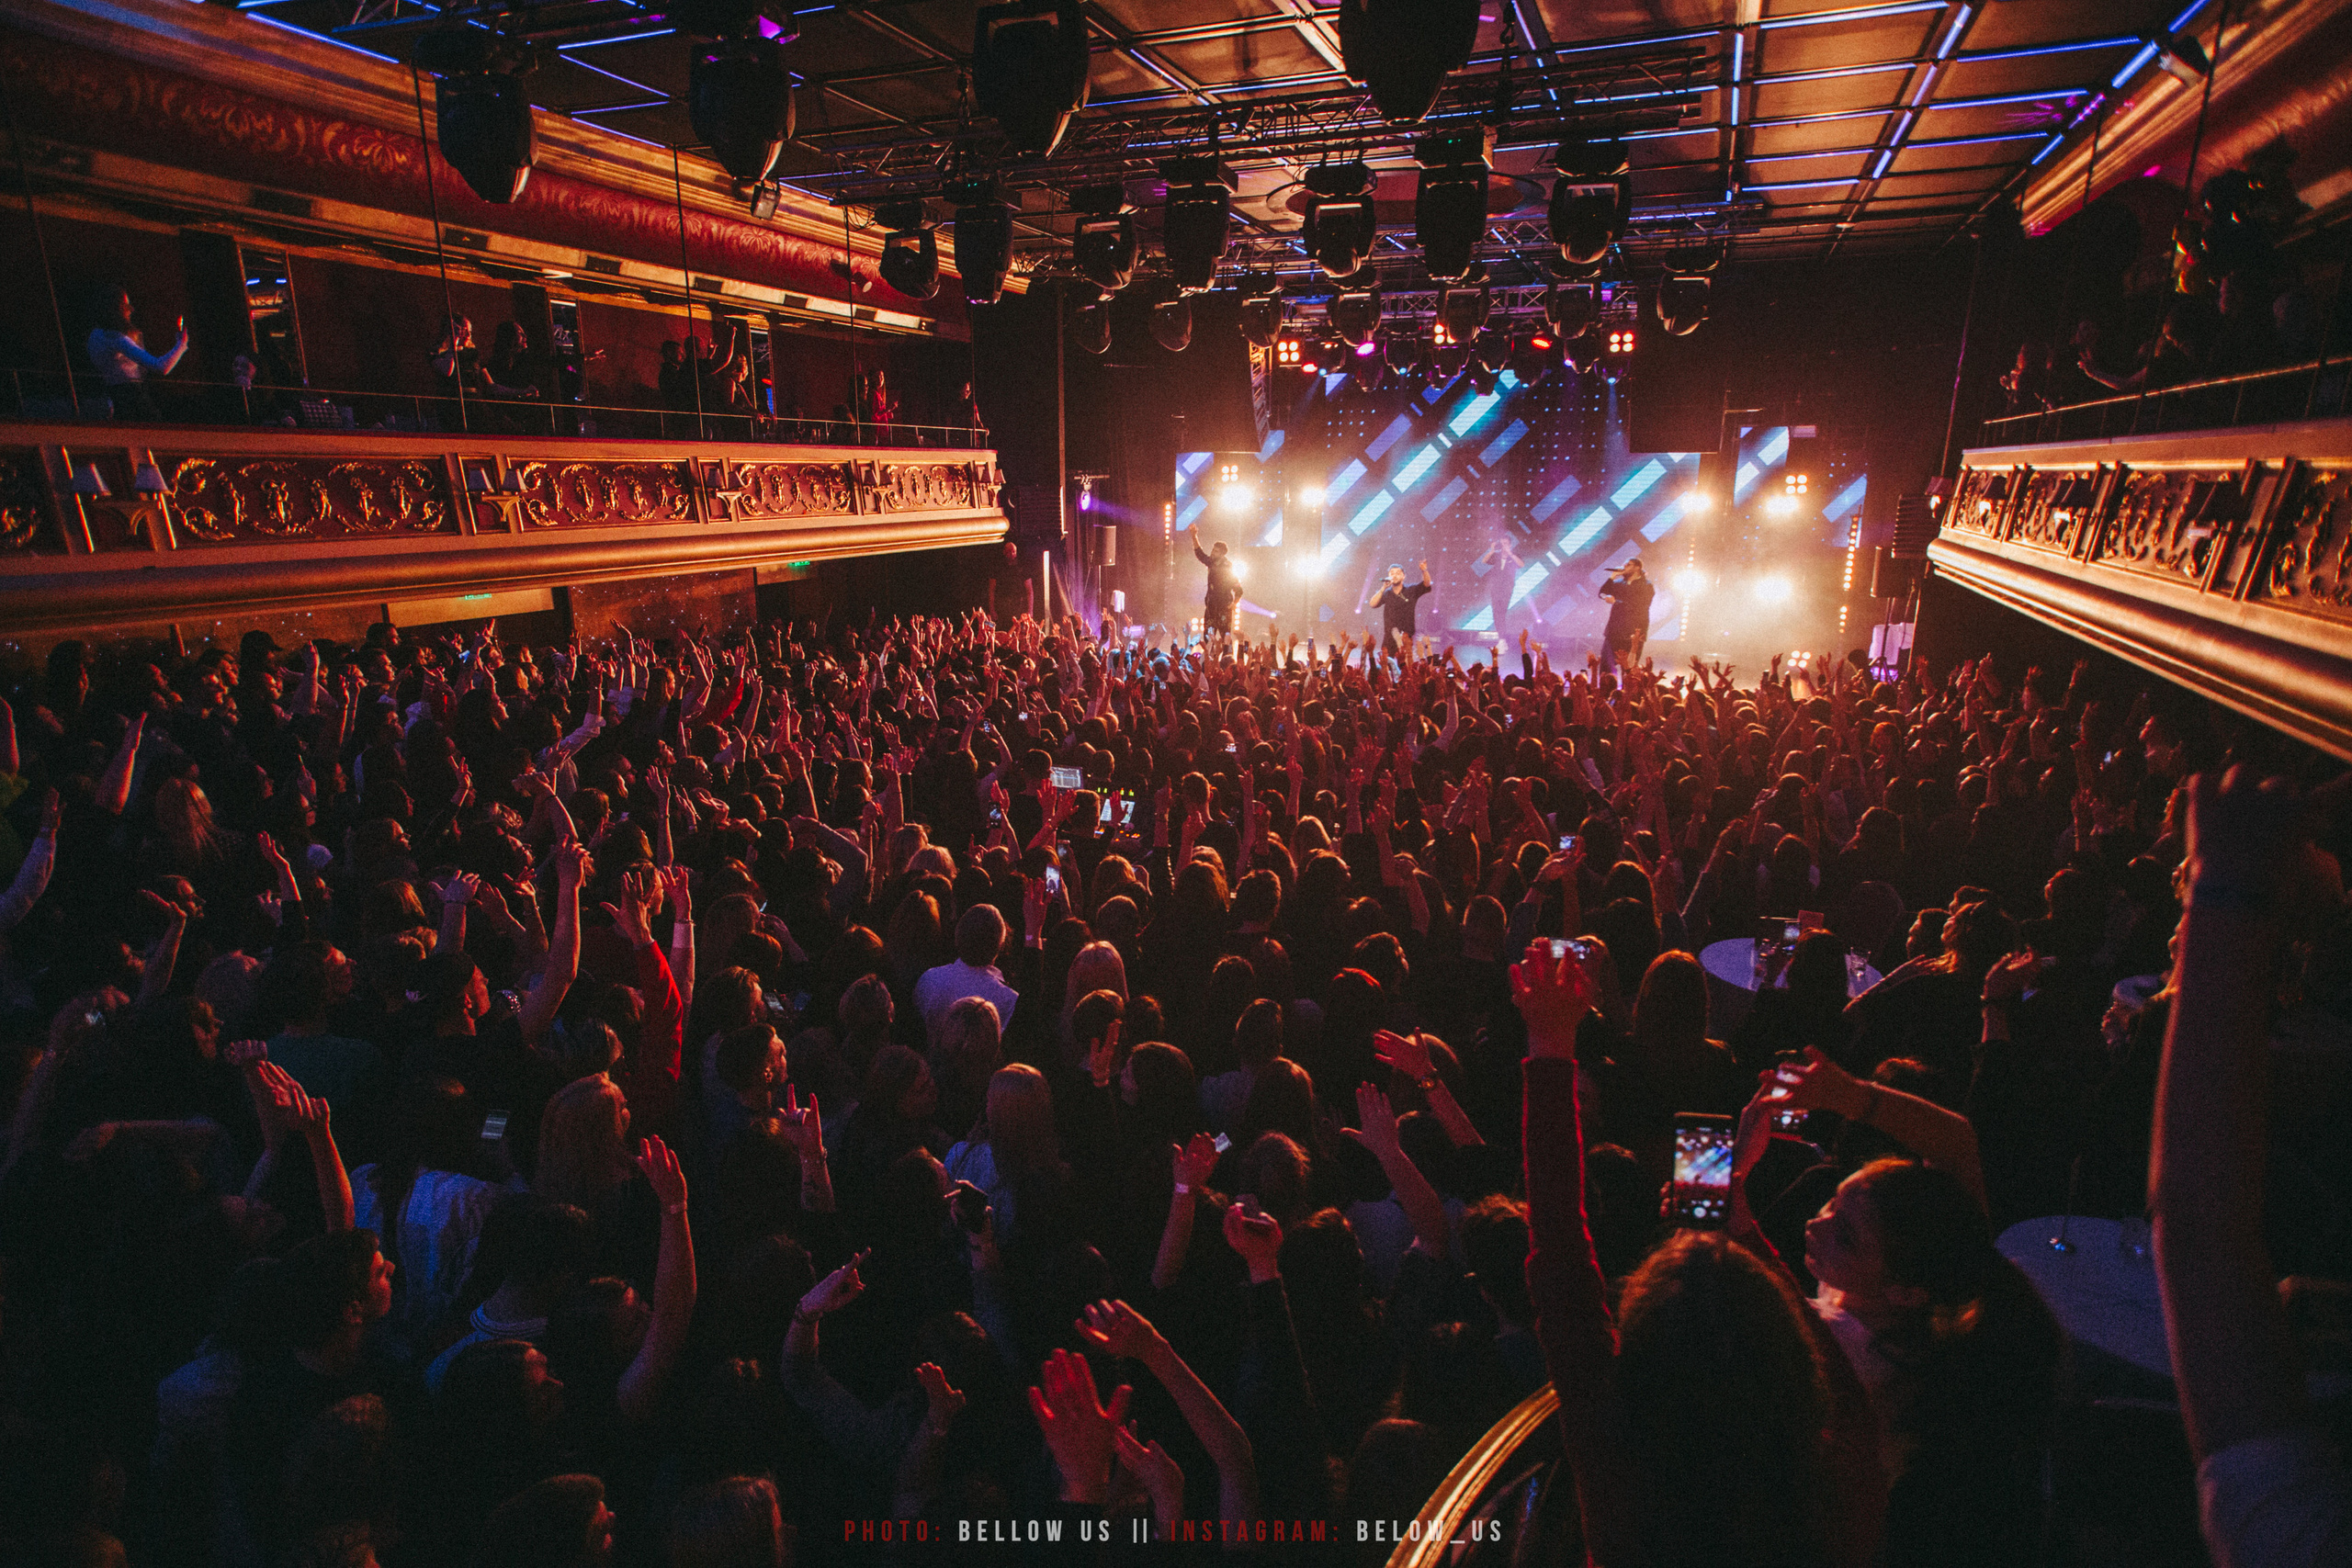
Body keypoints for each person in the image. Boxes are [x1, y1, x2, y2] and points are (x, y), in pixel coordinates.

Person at [85, 285, 187, 422]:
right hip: (132, 397)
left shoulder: (95, 335)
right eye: (126, 305)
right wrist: (181, 344)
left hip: (114, 395)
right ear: (116, 309)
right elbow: (161, 366)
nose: (131, 310)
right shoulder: (116, 339)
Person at [1477, 536, 1541, 647]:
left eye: (1505, 543)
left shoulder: (1514, 556)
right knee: (1496, 612)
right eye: (1502, 543)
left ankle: (1502, 640)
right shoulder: (1496, 556)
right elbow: (1484, 561)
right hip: (1495, 588)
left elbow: (1521, 564)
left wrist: (1510, 553)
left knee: (1501, 612)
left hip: (1506, 589)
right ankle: (1502, 639)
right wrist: (1492, 550)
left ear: (1510, 545)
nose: (1503, 546)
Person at [1368, 560, 1433, 659]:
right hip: (1389, 637)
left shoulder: (1411, 590)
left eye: (1398, 573)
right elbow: (1372, 604)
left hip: (1406, 637)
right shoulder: (1386, 593)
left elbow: (1427, 584)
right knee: (1387, 663)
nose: (1394, 575)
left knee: (1406, 664)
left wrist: (1424, 570)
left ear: (1404, 576)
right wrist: (1383, 588)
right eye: (1392, 573)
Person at [1599, 557, 1653, 672]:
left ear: (1637, 568)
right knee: (1606, 667)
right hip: (1614, 631)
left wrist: (1616, 602)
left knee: (1629, 669)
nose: (1624, 567)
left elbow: (1640, 606)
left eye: (1628, 565)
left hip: (1634, 633)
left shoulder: (1646, 585)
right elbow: (1602, 593)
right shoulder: (1618, 583)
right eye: (1624, 564)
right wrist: (1612, 577)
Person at [1193, 533, 1243, 650]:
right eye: (1213, 550)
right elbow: (1200, 554)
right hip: (1211, 608)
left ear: (1222, 554)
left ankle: (1227, 658)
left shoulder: (1227, 567)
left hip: (1223, 609)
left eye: (1216, 551)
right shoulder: (1211, 562)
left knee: (1226, 638)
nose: (1212, 553)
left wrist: (1234, 603)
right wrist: (1194, 536)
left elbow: (1239, 590)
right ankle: (1209, 658)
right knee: (1208, 637)